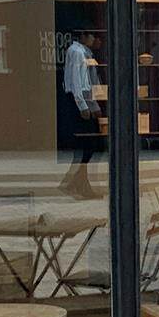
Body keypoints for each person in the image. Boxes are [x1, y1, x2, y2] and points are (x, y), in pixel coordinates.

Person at [59, 27, 102, 198]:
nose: (94, 39)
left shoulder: (86, 52)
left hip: (86, 99)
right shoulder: (76, 52)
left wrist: (94, 105)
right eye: (91, 35)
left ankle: (74, 183)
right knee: (87, 145)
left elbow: (90, 82)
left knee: (91, 145)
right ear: (83, 35)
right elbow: (77, 81)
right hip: (79, 101)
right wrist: (83, 105)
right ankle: (75, 184)